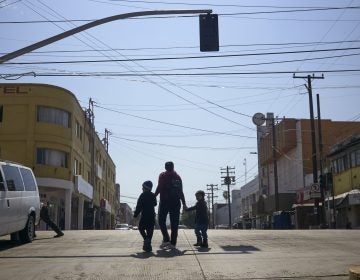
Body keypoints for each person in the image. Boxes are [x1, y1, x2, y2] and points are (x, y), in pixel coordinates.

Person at [155, 161, 187, 249]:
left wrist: (154, 195)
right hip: (176, 202)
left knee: (161, 220)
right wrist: (184, 203)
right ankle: (173, 243)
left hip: (165, 201)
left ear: (165, 167)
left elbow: (159, 187)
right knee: (174, 223)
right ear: (173, 167)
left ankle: (166, 239)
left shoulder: (162, 175)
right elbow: (180, 191)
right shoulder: (177, 177)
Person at [133, 180, 157, 252]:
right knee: (150, 231)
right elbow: (155, 203)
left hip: (144, 215)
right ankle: (148, 244)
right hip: (152, 215)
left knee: (141, 228)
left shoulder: (142, 195)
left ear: (146, 187)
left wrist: (135, 215)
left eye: (142, 187)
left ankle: (146, 239)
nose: (142, 189)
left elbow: (139, 206)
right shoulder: (153, 195)